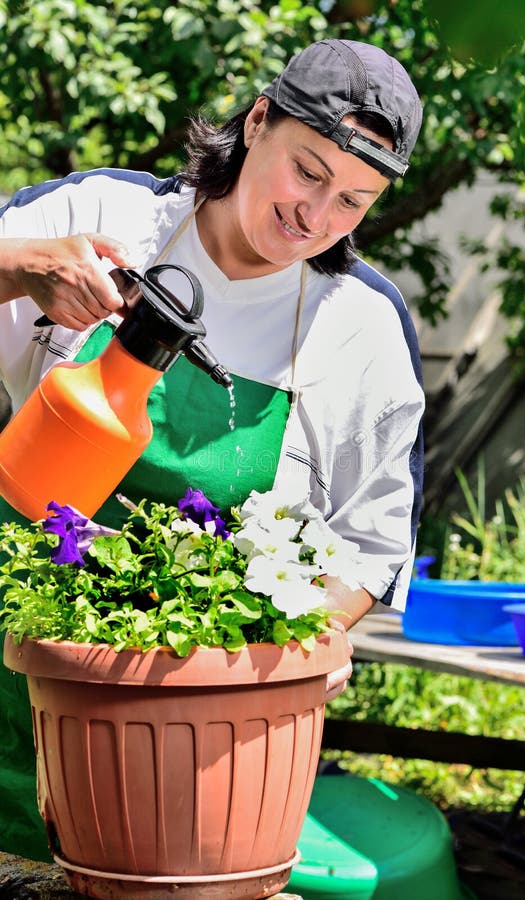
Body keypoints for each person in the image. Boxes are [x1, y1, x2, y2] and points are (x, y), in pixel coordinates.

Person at [0, 38, 425, 860]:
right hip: (10, 659)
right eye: (307, 171)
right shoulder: (104, 219)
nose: (315, 216)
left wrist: (282, 658)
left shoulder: (360, 327)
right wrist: (21, 268)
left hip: (182, 738)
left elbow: (369, 550)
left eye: (353, 200)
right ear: (258, 119)